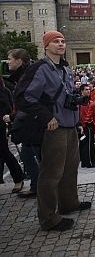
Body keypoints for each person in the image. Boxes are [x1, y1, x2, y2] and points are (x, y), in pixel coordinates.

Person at [15, 31, 91, 231]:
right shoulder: (39, 68)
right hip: (53, 127)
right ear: (46, 45)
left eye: (63, 41)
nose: (60, 44)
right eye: (56, 41)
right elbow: (23, 97)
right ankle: (48, 217)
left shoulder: (64, 68)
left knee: (69, 167)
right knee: (51, 173)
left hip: (69, 124)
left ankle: (69, 202)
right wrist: (46, 116)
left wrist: (77, 119)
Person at [3, 48, 35, 197]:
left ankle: (39, 186)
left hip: (31, 122)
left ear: (19, 61)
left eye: (10, 59)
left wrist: (13, 116)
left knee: (31, 155)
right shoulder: (20, 77)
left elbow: (27, 101)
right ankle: (36, 185)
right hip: (27, 120)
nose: (7, 61)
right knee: (29, 155)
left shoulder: (25, 77)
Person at [77, 83, 95, 168]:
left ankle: (85, 161)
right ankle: (89, 161)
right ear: (82, 91)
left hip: (89, 124)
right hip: (85, 125)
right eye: (86, 89)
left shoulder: (91, 102)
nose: (88, 91)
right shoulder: (79, 103)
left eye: (89, 89)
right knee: (88, 144)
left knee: (86, 143)